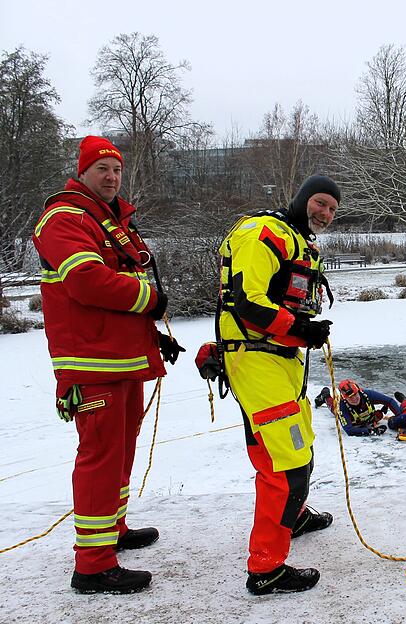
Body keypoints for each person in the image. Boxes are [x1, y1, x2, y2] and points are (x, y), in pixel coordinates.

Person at [31, 136, 184, 594]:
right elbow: (86, 281)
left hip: (120, 356)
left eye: (117, 171)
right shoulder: (64, 217)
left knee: (121, 449)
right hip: (93, 362)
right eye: (102, 170)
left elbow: (117, 282)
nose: (112, 178)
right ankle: (93, 565)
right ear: (81, 172)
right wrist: (150, 299)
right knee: (99, 456)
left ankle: (112, 531)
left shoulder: (105, 220)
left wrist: (151, 335)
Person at [216, 175, 340, 595]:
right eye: (320, 203)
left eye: (332, 210)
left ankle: (296, 515)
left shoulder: (301, 241)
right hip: (256, 359)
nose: (324, 213)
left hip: (280, 360)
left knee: (299, 444)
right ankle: (266, 568)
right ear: (304, 198)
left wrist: (302, 331)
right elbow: (246, 301)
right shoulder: (265, 233)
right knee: (284, 464)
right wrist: (300, 328)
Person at [315, 379, 402, 436]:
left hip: (367, 418)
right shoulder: (342, 406)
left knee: (378, 415)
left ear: (359, 391)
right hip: (354, 421)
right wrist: (371, 431)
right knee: (333, 407)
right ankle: (325, 396)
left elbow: (390, 401)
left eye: (355, 394)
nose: (354, 399)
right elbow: (349, 430)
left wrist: (400, 418)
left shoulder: (367, 394)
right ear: (345, 398)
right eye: (350, 397)